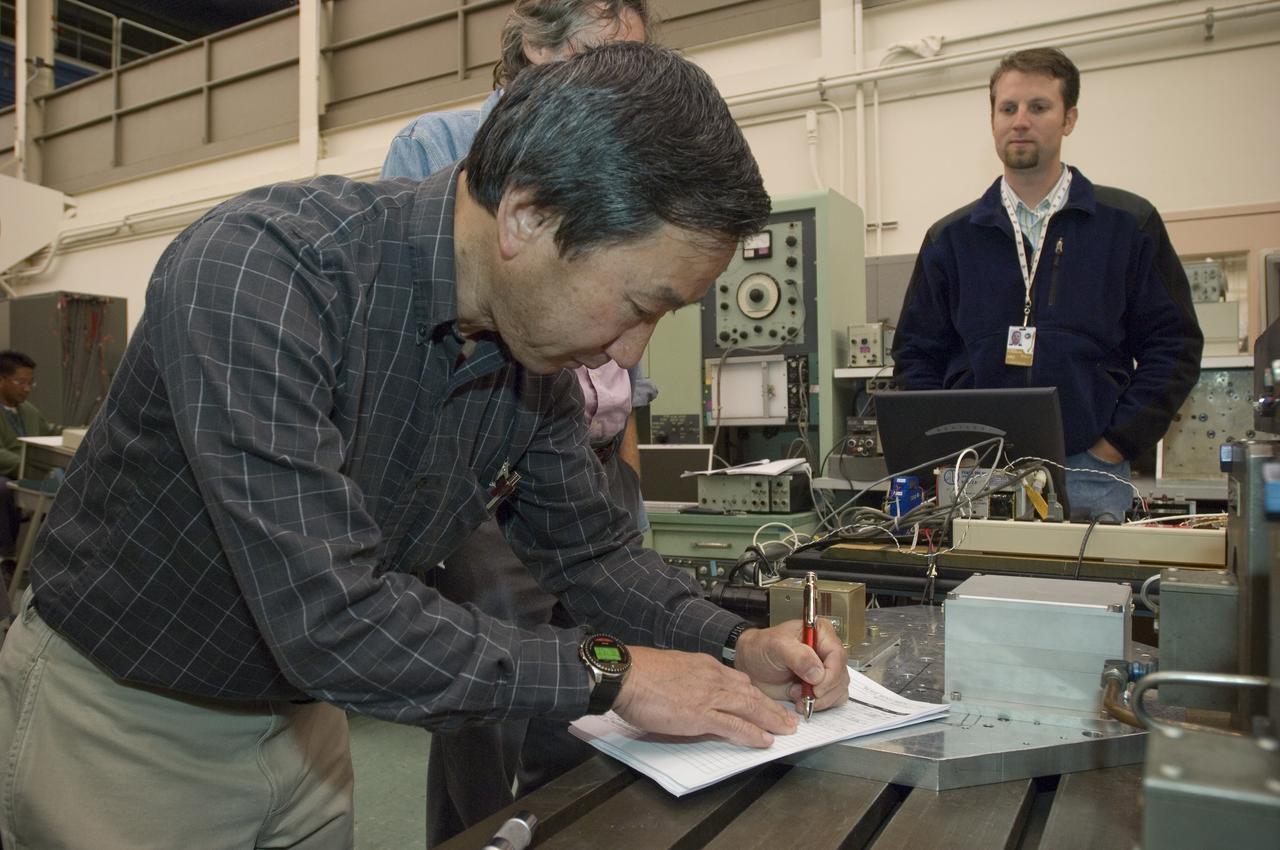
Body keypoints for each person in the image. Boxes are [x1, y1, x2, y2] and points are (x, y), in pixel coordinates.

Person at [0, 43, 850, 850]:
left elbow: (589, 552)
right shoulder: (262, 275)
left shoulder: (530, 355)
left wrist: (728, 642)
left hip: (302, 723)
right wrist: (611, 670)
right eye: (639, 304)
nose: (629, 354)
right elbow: (332, 614)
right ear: (526, 216)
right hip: (124, 723)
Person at [381, 2, 656, 843]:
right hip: (484, 471)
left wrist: (627, 475)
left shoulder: (628, 165)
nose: (627, 87)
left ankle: (558, 827)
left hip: (597, 461)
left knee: (592, 690)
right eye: (607, 57)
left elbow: (626, 355)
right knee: (487, 693)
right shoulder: (436, 149)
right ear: (539, 43)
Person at [891, 47, 1202, 521]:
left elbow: (1174, 346)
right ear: (992, 118)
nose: (1020, 121)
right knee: (968, 595)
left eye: (1039, 107)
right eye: (1007, 108)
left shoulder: (1127, 225)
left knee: (1085, 595)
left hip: (1089, 471)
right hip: (975, 474)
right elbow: (916, 356)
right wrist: (948, 452)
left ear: (1068, 118)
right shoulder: (949, 240)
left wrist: (1115, 445)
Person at [0, 350, 61, 560]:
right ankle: (6, 558)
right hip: (8, 474)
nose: (26, 389)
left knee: (65, 487)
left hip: (28, 474)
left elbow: (51, 432)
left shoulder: (28, 410)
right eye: (20, 382)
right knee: (2, 489)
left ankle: (49, 558)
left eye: (30, 383)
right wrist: (25, 466)